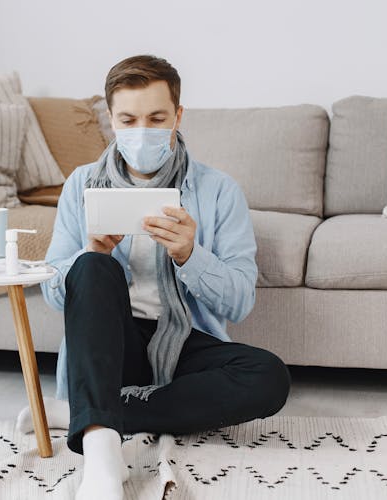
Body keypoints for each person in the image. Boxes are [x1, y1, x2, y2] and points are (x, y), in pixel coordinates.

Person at [16, 54, 291, 500]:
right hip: (108, 344)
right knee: (90, 266)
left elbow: (240, 302)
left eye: (156, 118)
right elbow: (54, 294)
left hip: (182, 340)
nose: (142, 130)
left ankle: (87, 410)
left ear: (178, 116)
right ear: (111, 120)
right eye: (128, 119)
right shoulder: (82, 184)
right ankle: (102, 455)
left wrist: (190, 256)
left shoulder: (218, 190)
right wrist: (92, 252)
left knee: (269, 377)